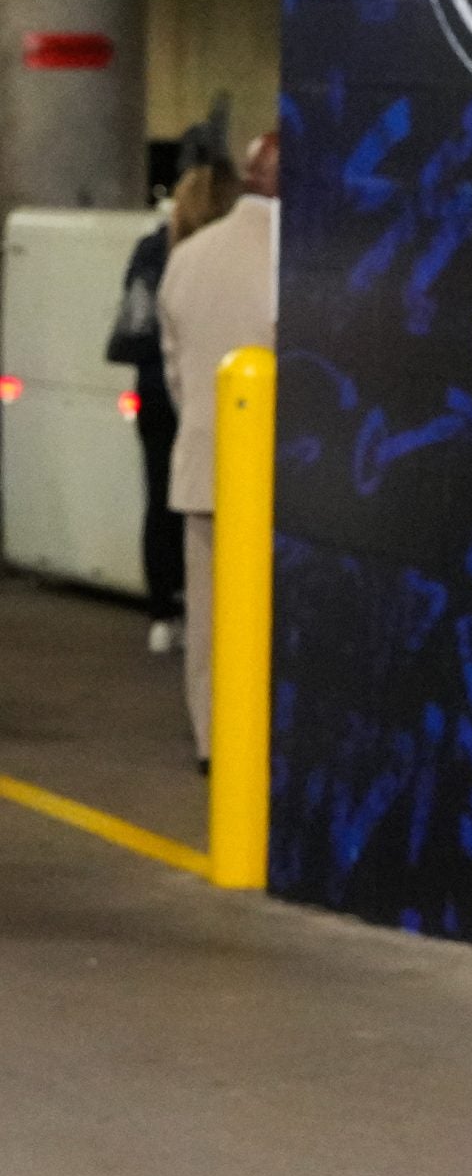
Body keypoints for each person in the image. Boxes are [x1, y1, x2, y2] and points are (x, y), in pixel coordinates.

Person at [158, 134, 278, 770]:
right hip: (279, 478)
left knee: (208, 622)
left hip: (202, 465)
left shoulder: (189, 254)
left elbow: (174, 368)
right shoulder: (298, 259)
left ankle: (213, 744)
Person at [108, 160, 241, 652]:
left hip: (155, 393)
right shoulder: (228, 255)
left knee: (162, 498)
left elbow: (140, 320)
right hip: (217, 397)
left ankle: (163, 610)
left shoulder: (152, 250)